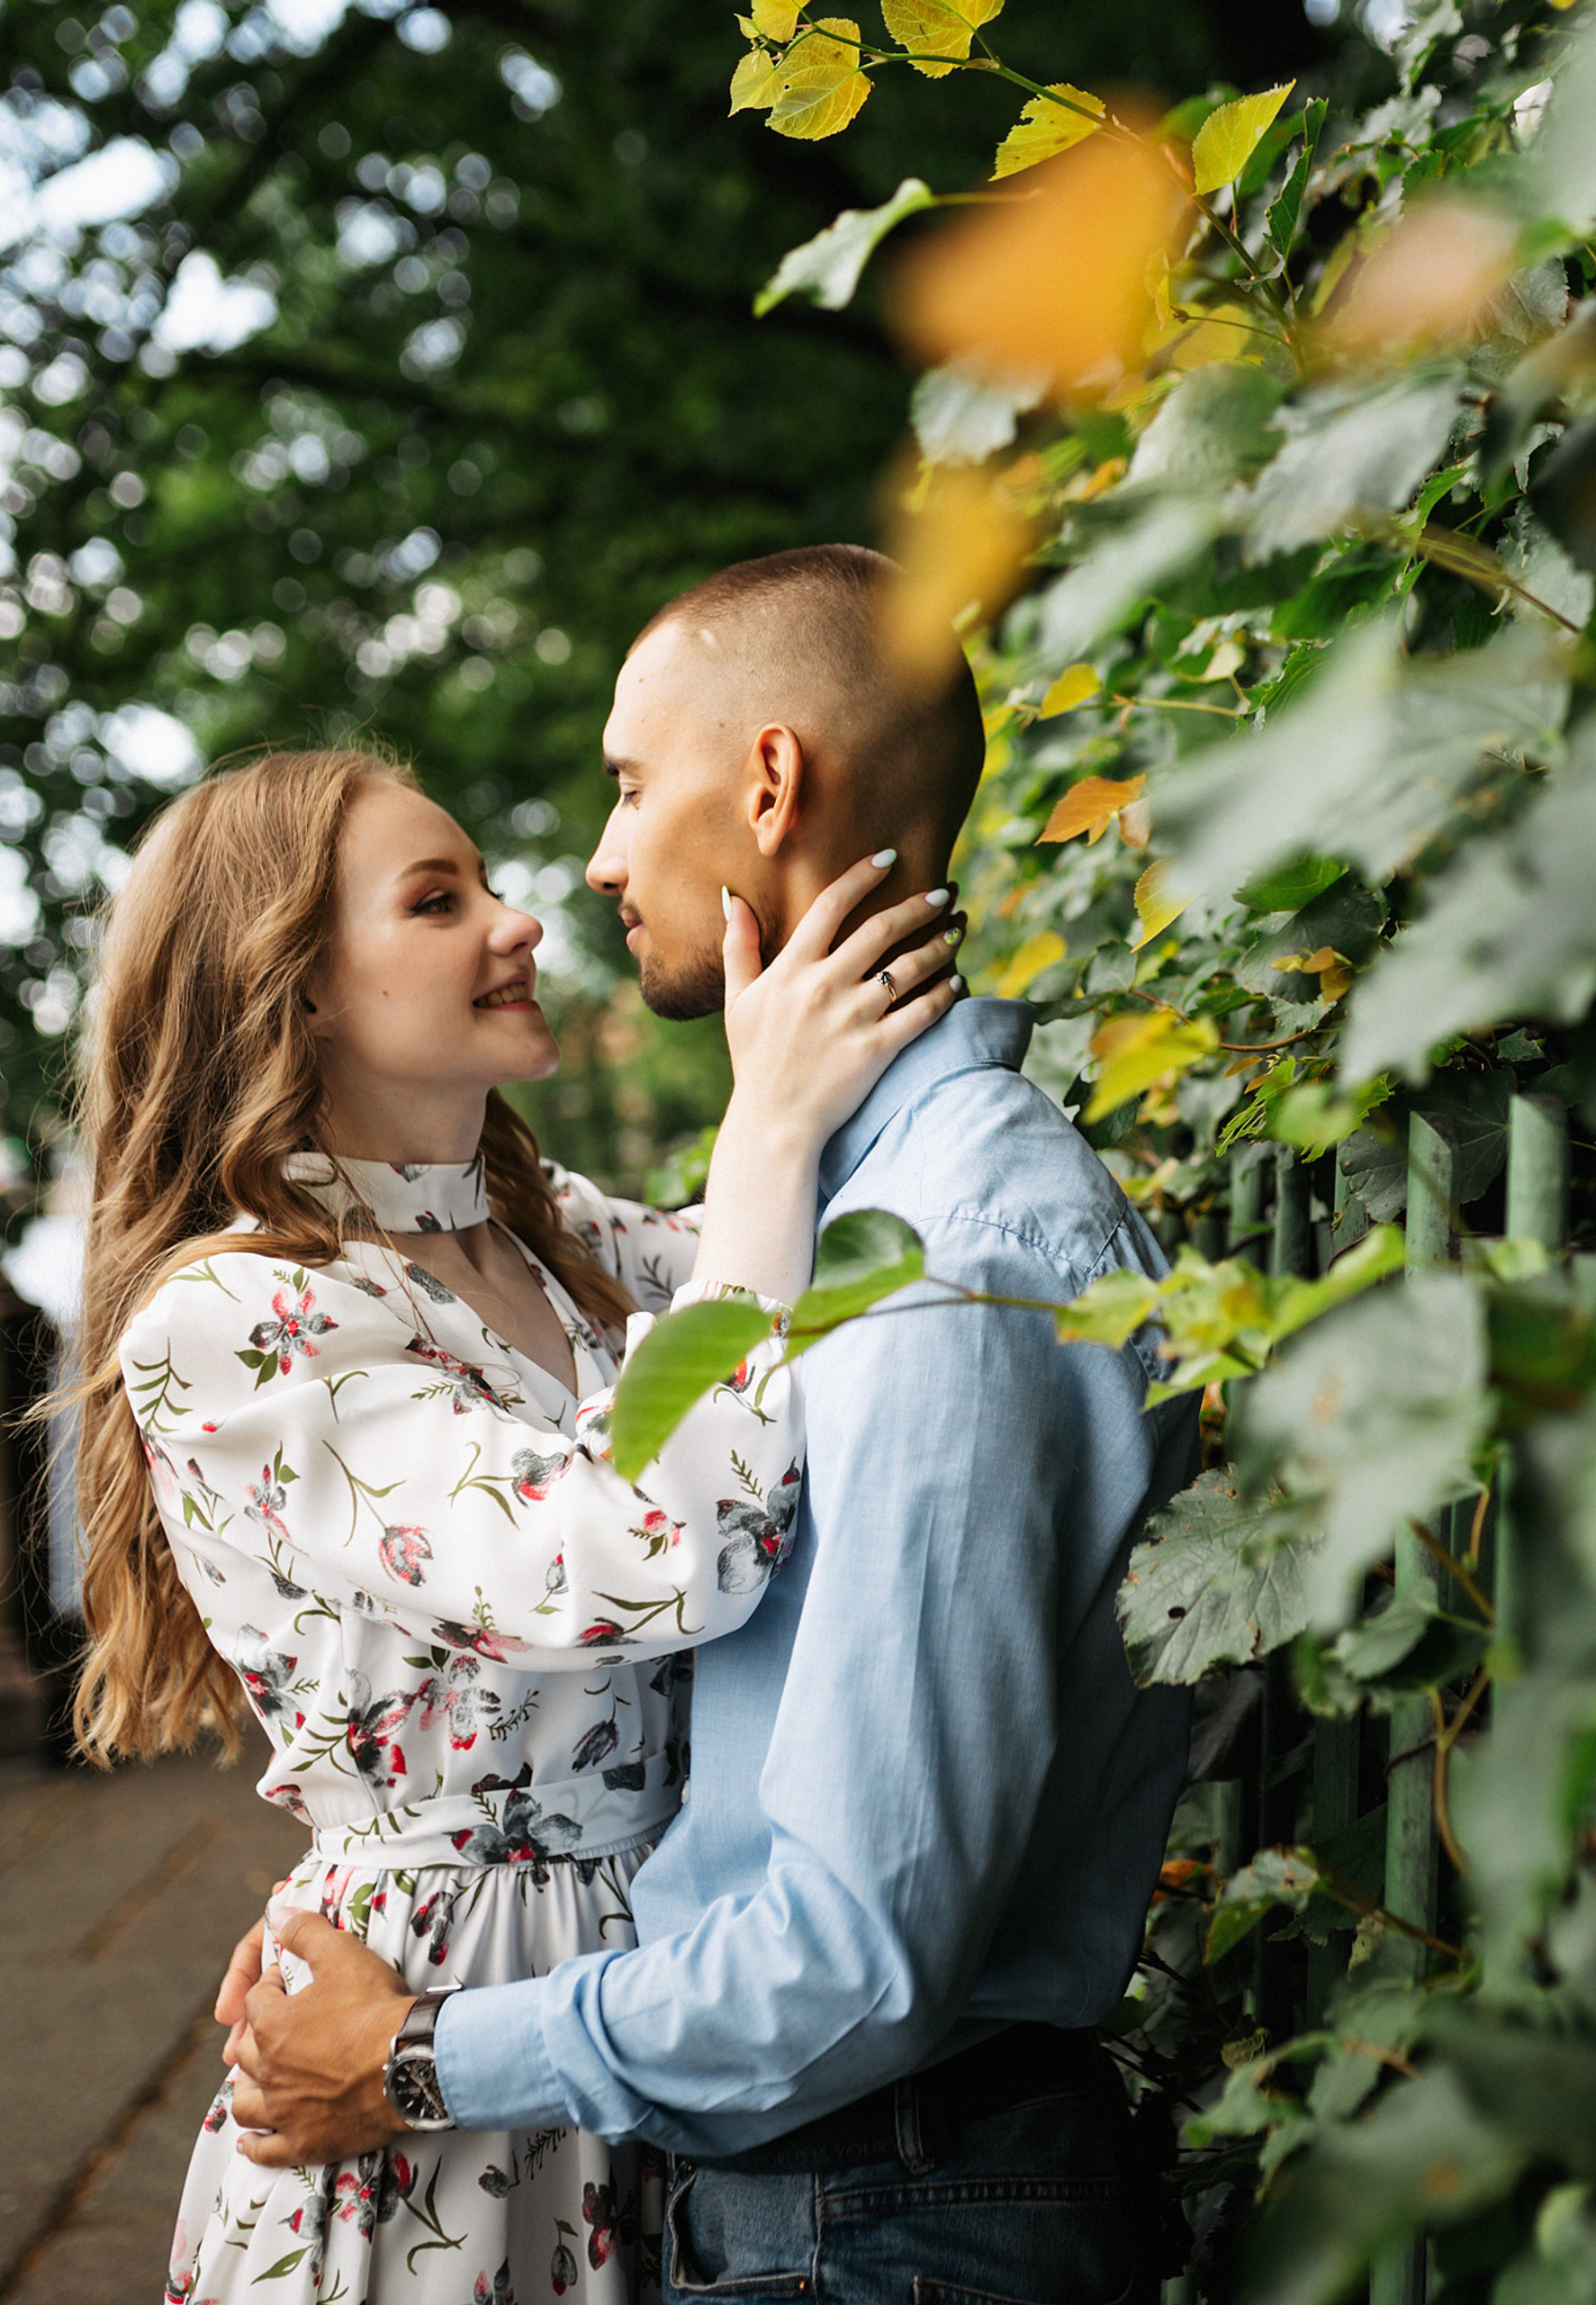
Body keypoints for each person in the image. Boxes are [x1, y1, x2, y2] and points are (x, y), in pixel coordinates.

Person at [220, 544, 1200, 2303]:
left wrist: (416, 2053)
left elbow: (848, 1957)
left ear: (767, 784)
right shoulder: (846, 1218)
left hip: (883, 2212)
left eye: (625, 783)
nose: (589, 868)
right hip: (832, 2193)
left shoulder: (941, 1269)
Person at [71, 738, 963, 2303]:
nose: (520, 920)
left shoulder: (558, 1243)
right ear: (294, 989)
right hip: (423, 2033)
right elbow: (641, 1557)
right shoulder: (239, 1319)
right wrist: (763, 1128)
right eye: (439, 901)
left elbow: (827, 1288)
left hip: (664, 1993)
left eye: (486, 881)